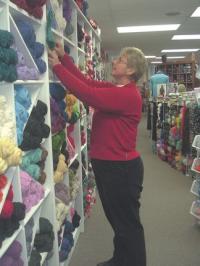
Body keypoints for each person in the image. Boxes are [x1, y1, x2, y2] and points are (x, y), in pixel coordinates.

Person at [48, 43, 147, 266]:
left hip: (120, 169)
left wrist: (57, 68)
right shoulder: (118, 90)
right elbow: (88, 83)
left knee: (127, 224)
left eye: (120, 59)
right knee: (119, 221)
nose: (114, 61)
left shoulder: (129, 95)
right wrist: (64, 59)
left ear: (130, 70)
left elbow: (87, 94)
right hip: (112, 167)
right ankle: (121, 259)